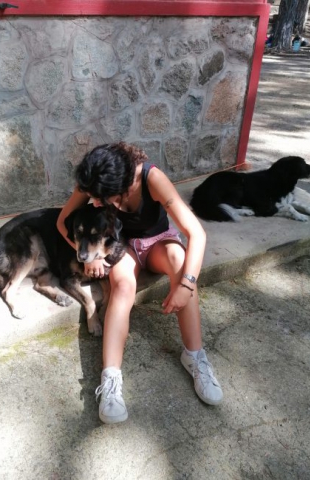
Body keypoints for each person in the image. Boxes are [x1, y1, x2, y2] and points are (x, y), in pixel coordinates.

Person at [57, 142, 223, 424]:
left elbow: (197, 234)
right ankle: (110, 380)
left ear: (120, 185)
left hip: (158, 241)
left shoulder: (151, 178)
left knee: (180, 262)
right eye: (92, 197)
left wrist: (186, 286)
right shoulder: (94, 179)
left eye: (100, 199)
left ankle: (195, 357)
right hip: (122, 247)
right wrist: (88, 256)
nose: (94, 202)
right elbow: (62, 222)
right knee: (122, 287)